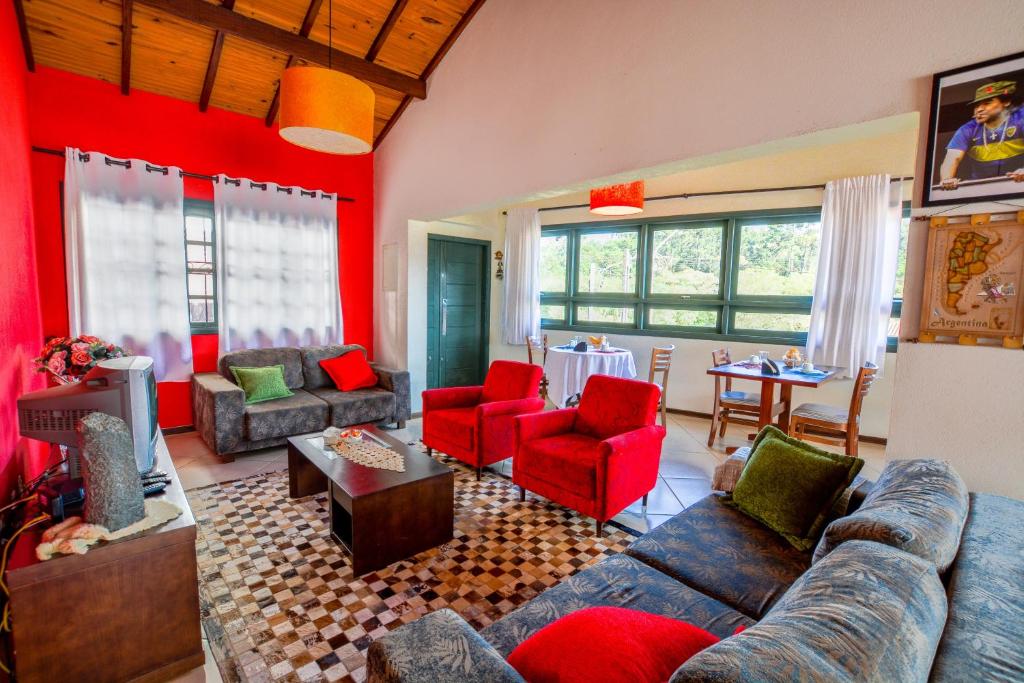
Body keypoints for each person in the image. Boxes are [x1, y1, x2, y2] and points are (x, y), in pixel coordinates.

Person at [939, 80, 1024, 190]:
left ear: (1006, 102)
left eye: (987, 103)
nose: (979, 109)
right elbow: (952, 158)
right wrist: (946, 179)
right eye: (977, 105)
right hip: (982, 193)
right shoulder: (968, 129)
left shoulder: (1020, 118)